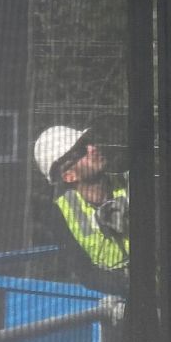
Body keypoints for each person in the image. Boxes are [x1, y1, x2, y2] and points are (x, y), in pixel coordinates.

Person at [33, 124, 129, 295]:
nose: (93, 148)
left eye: (89, 143)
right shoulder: (62, 214)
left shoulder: (129, 184)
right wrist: (131, 285)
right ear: (69, 176)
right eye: (82, 151)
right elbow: (86, 274)